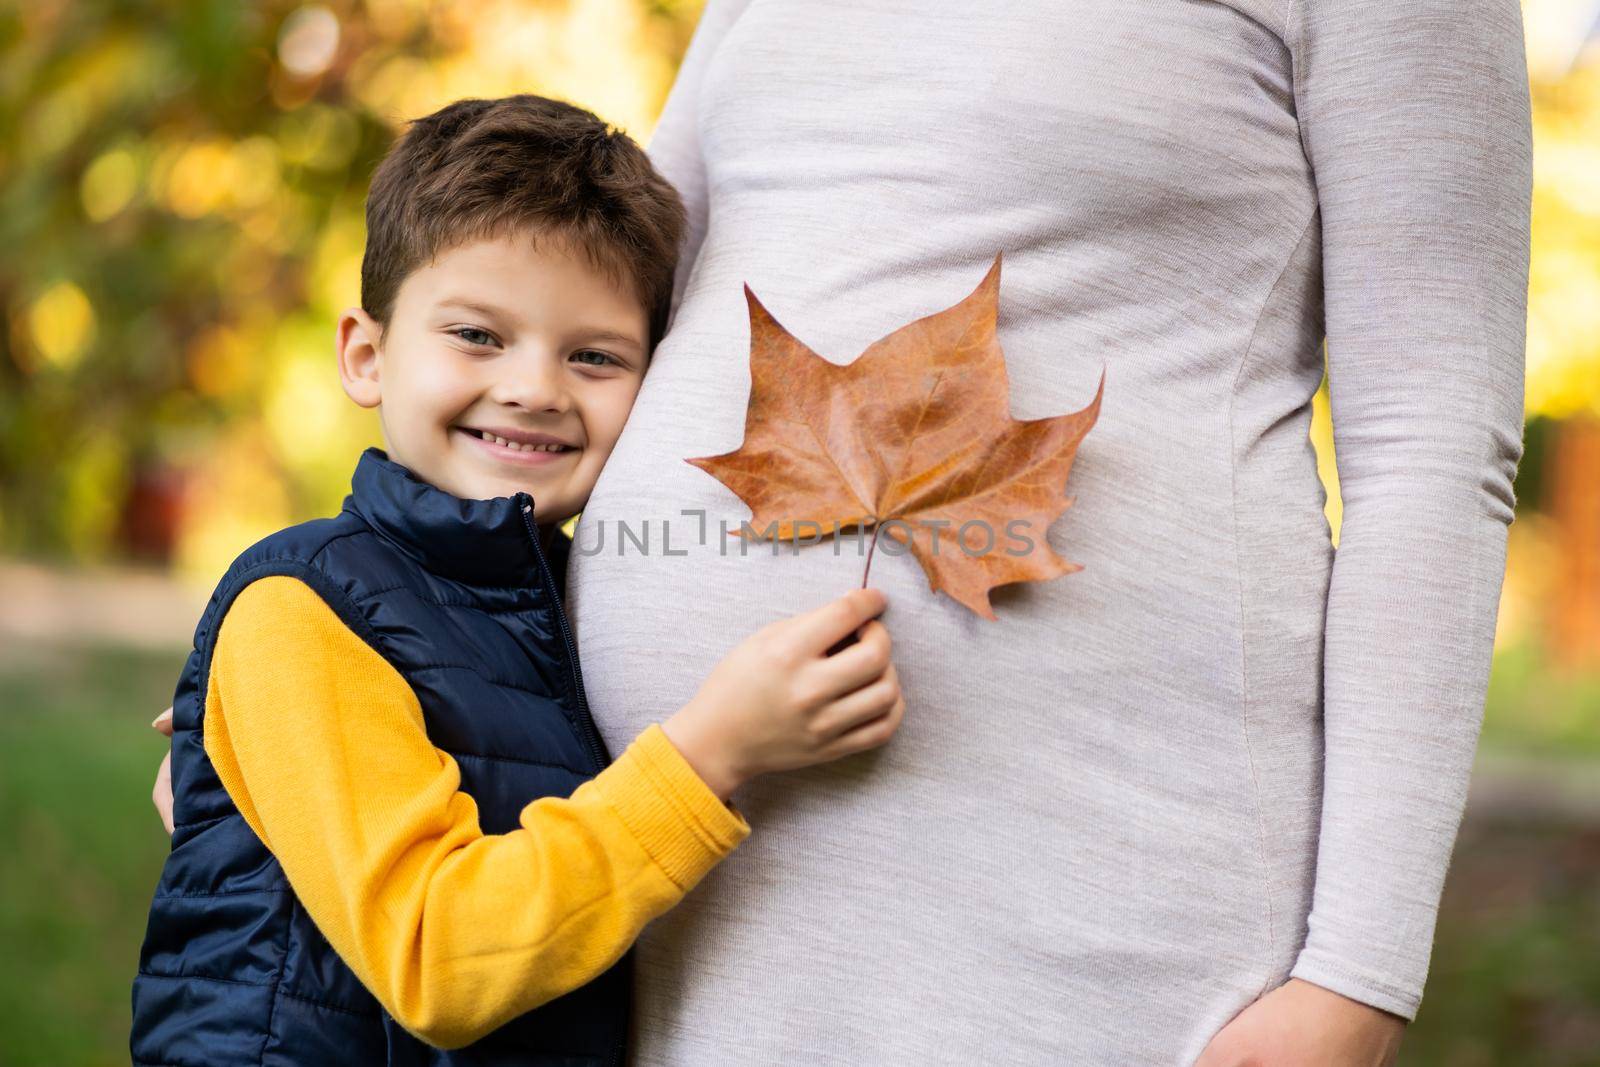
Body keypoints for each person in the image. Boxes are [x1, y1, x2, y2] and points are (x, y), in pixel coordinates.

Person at [551, 1, 1533, 1064]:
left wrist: (1357, 973)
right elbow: (627, 292)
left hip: (1097, 872)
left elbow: (1430, 442)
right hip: (692, 865)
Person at [131, 93, 906, 1066]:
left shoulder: (558, 609)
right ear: (366, 355)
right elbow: (438, 958)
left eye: (593, 355)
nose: (535, 386)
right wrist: (712, 750)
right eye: (477, 336)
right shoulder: (304, 607)